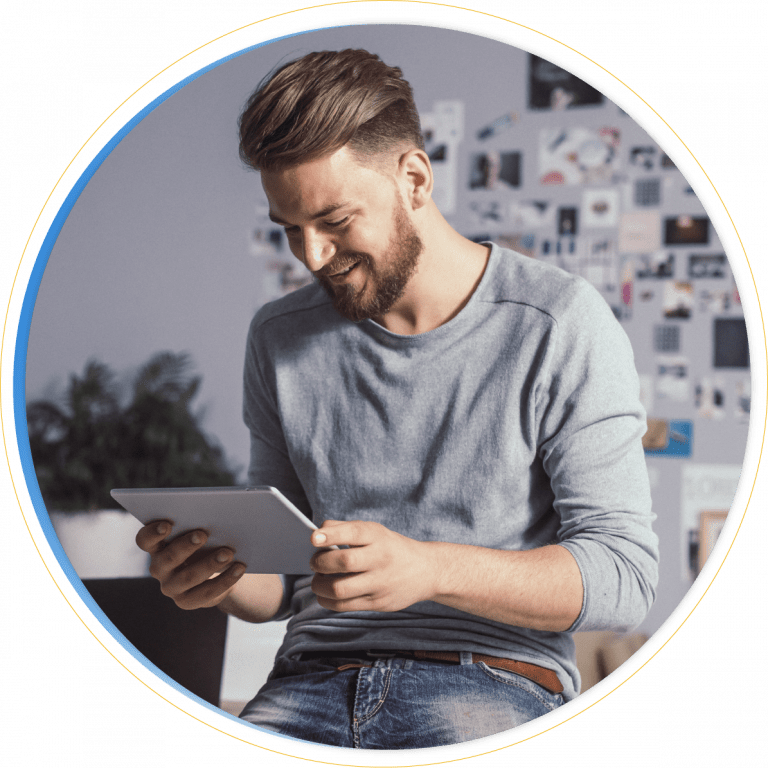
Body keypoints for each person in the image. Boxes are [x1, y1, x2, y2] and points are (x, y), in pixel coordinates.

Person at [136, 49, 659, 751]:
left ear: (414, 178)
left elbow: (625, 576)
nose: (312, 256)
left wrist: (429, 568)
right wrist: (219, 578)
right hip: (309, 679)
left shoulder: (560, 323)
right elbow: (284, 580)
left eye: (334, 220)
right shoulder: (279, 337)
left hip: (492, 679)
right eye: (291, 228)